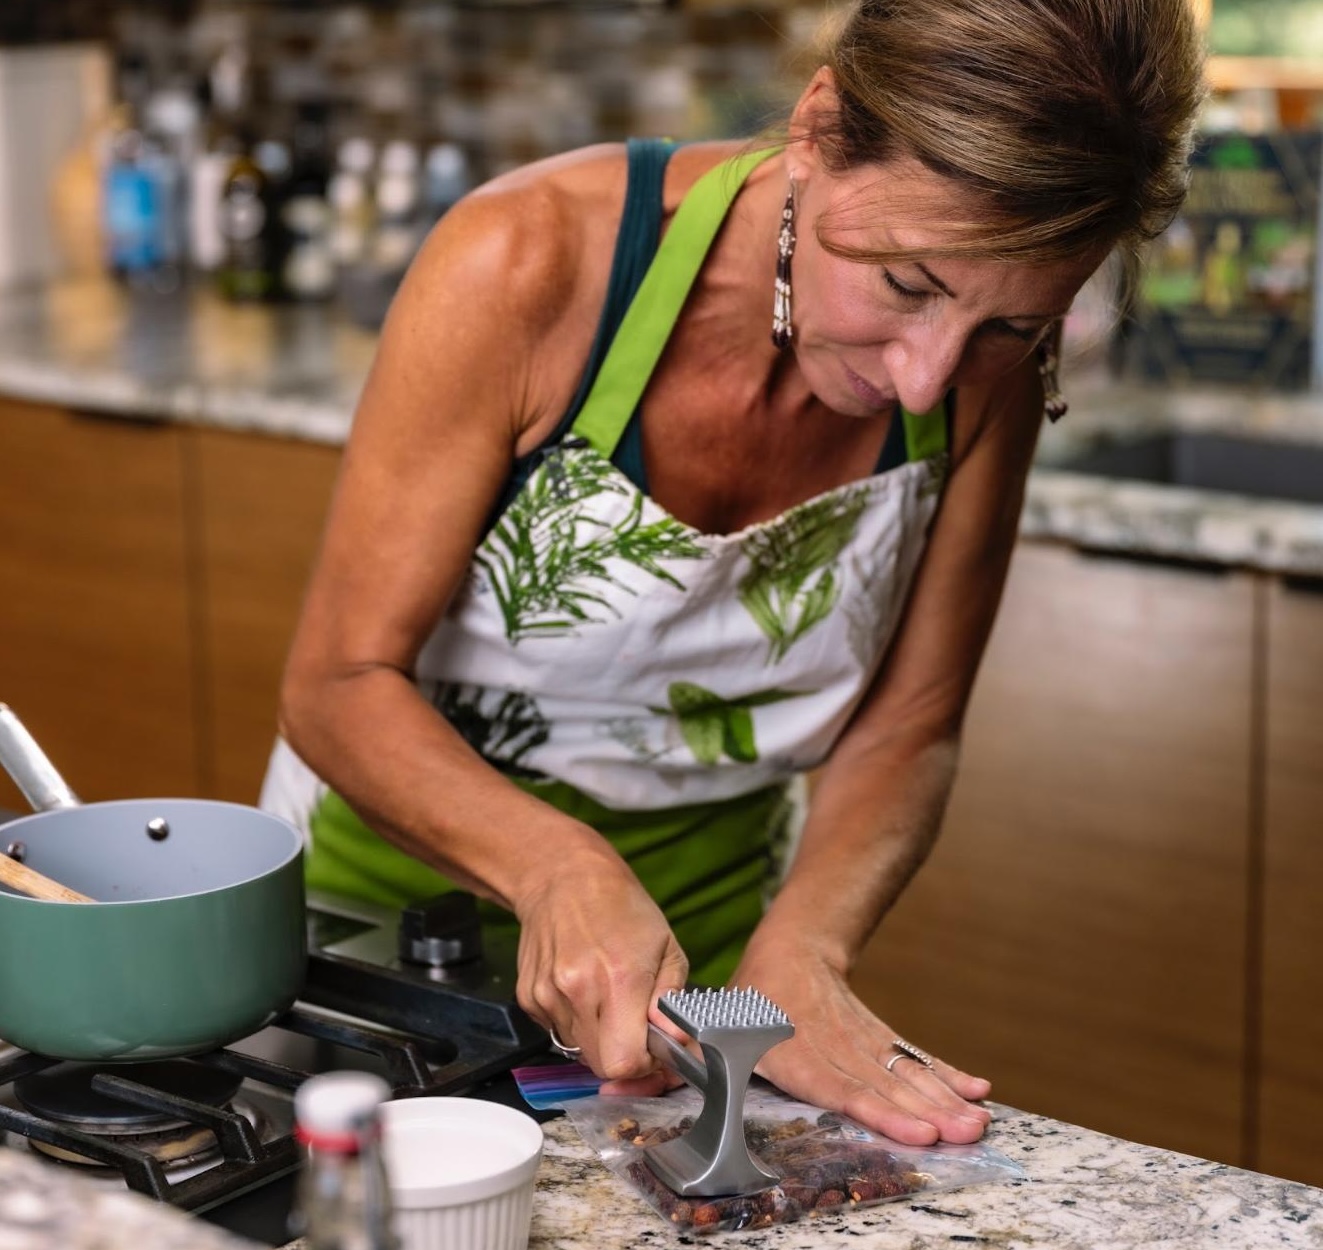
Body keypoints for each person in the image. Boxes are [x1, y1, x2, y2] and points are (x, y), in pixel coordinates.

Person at [262, 0, 1205, 1146]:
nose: (929, 380)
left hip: (717, 968)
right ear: (817, 128)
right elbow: (341, 680)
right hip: (393, 924)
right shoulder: (530, 266)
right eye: (906, 283)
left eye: (1011, 327)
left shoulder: (978, 364)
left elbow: (908, 721)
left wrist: (801, 955)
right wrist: (554, 866)